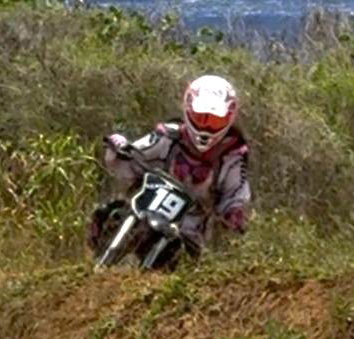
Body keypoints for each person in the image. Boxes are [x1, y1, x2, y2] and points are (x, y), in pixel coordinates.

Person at [90, 74, 251, 259]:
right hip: (145, 210)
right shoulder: (168, 137)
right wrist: (119, 147)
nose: (206, 127)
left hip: (189, 233)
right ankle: (96, 265)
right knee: (109, 213)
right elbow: (134, 157)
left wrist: (234, 214)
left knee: (173, 252)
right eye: (200, 117)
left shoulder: (231, 156)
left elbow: (235, 195)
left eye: (214, 121)